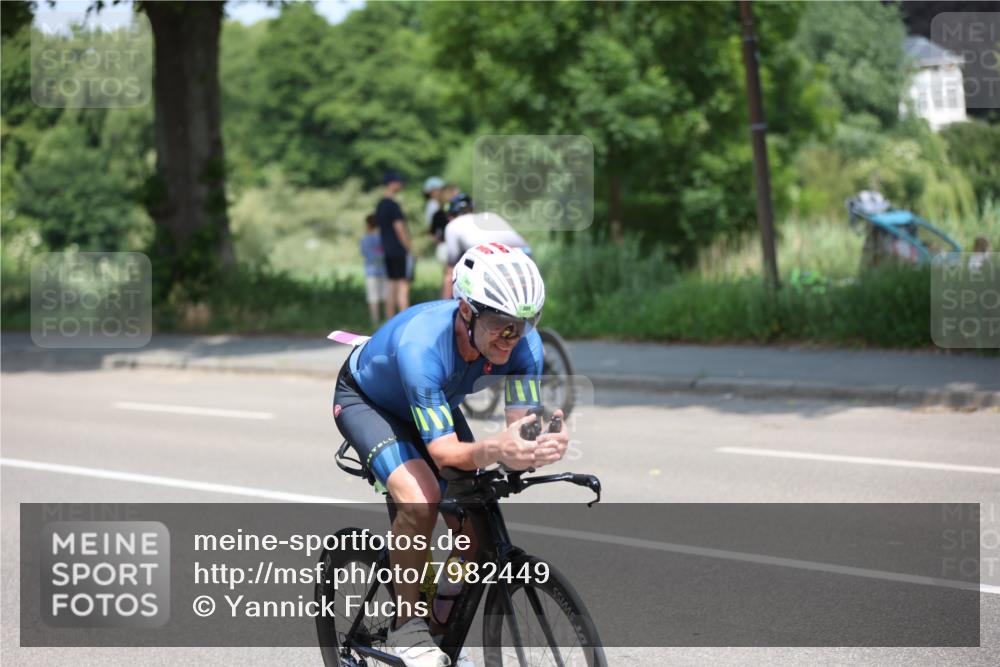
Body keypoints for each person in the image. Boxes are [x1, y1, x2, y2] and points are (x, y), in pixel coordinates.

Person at [332, 245, 567, 667]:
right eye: (500, 325)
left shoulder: (523, 346)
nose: (512, 338)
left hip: (431, 403)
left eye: (523, 324)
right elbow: (444, 452)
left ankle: (438, 623)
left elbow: (520, 429)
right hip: (369, 403)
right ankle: (408, 627)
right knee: (420, 499)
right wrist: (497, 447)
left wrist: (538, 445)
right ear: (465, 310)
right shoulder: (423, 345)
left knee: (474, 523)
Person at [441, 193, 531, 298]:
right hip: (525, 256)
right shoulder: (490, 216)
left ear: (451, 216)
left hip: (493, 258)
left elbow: (450, 271)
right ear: (472, 210)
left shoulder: (452, 225)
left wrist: (442, 305)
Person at [375, 170, 412, 318]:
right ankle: (405, 318)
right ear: (391, 184)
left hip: (387, 249)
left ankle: (390, 317)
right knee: (402, 285)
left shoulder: (380, 205)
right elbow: (400, 228)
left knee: (391, 283)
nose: (401, 184)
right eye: (398, 182)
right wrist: (408, 247)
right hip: (398, 249)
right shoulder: (393, 205)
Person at [360, 215, 387, 326]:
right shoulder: (384, 237)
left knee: (373, 297)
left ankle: (374, 321)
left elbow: (364, 253)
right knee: (386, 296)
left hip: (370, 270)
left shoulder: (365, 239)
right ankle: (387, 319)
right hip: (385, 270)